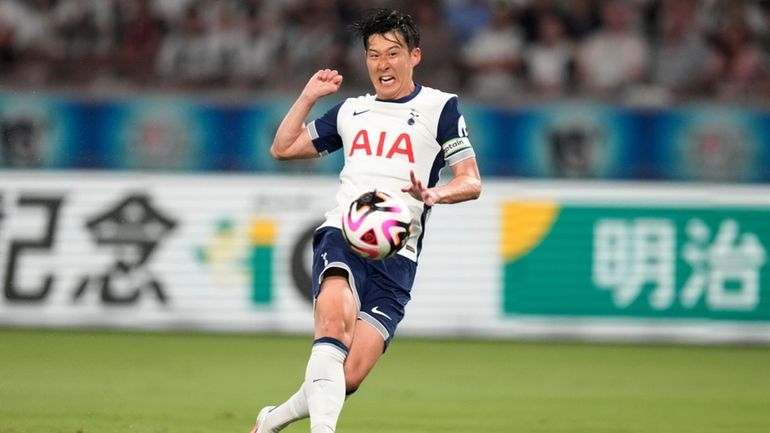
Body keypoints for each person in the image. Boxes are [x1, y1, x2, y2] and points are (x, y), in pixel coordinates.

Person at [249, 8, 481, 433]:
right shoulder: (350, 111)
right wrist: (308, 97)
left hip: (399, 253)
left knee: (348, 374)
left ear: (415, 56)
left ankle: (272, 419)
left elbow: (470, 182)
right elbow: (283, 149)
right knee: (333, 325)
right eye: (373, 55)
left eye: (392, 53)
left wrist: (434, 194)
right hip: (345, 233)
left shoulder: (441, 108)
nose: (382, 64)